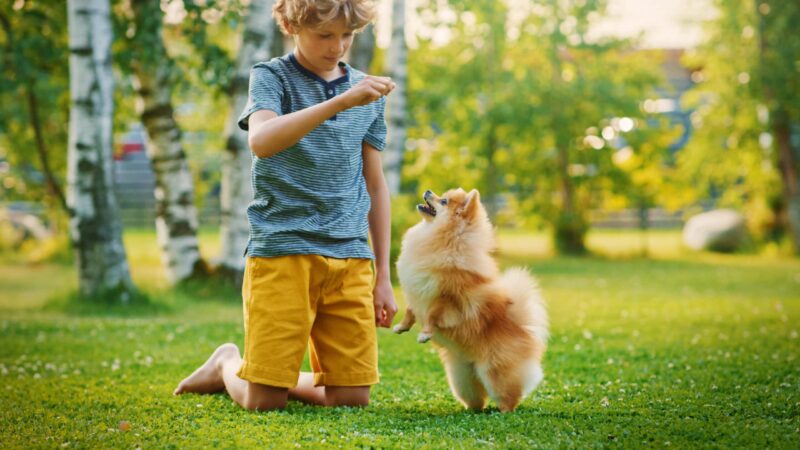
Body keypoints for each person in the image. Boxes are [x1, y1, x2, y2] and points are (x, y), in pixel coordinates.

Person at [173, 0, 398, 410]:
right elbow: (261, 140)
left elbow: (376, 186)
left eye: (346, 35)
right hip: (282, 250)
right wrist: (340, 103)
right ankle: (228, 364)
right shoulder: (270, 76)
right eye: (325, 35)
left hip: (349, 256)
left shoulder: (367, 90)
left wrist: (383, 275)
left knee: (350, 398)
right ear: (293, 26)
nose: (338, 46)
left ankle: (264, 376)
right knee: (263, 402)